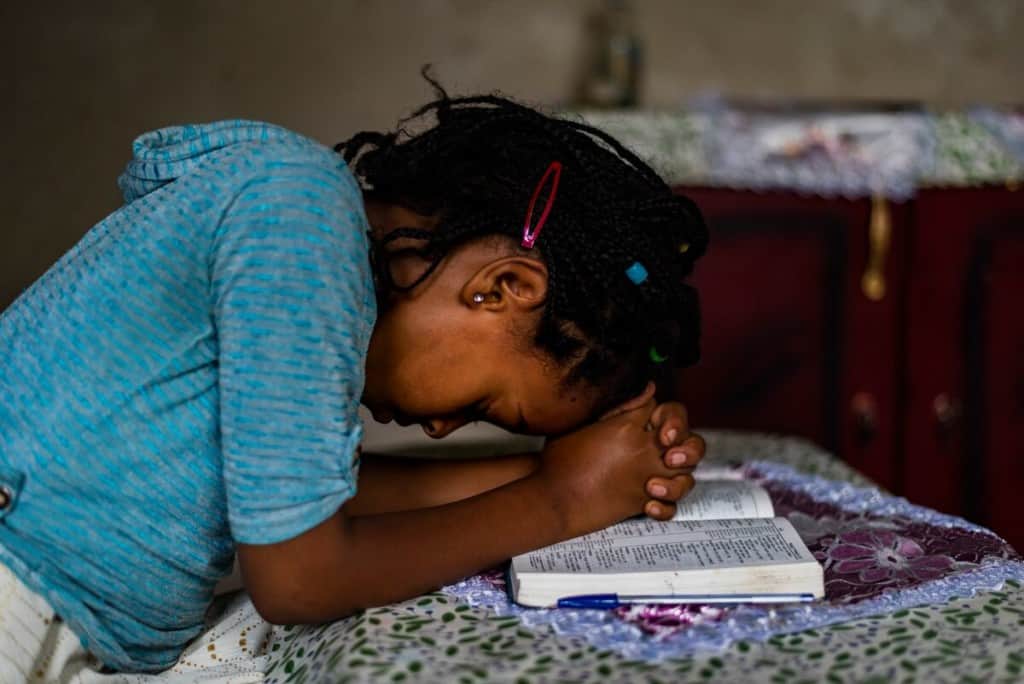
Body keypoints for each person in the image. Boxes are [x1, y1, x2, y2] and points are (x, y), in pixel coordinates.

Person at [0, 79, 709, 675]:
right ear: (500, 288)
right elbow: (302, 576)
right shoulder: (298, 217)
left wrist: (576, 473)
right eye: (488, 405)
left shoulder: (302, 221)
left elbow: (315, 501)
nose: (439, 428)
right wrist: (562, 502)